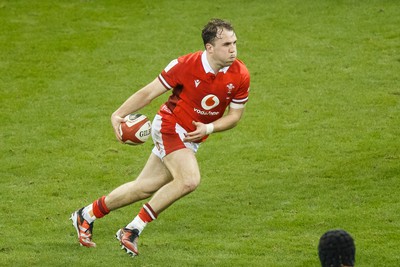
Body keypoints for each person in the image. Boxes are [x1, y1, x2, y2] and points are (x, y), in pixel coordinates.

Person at [70, 18, 250, 257]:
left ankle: (87, 214)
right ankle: (132, 229)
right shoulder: (185, 65)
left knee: (144, 187)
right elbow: (149, 92)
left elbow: (235, 116)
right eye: (226, 44)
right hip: (169, 126)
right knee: (189, 180)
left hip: (191, 137)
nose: (233, 49)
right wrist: (118, 114)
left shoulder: (240, 74)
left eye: (234, 42)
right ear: (209, 47)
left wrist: (208, 129)